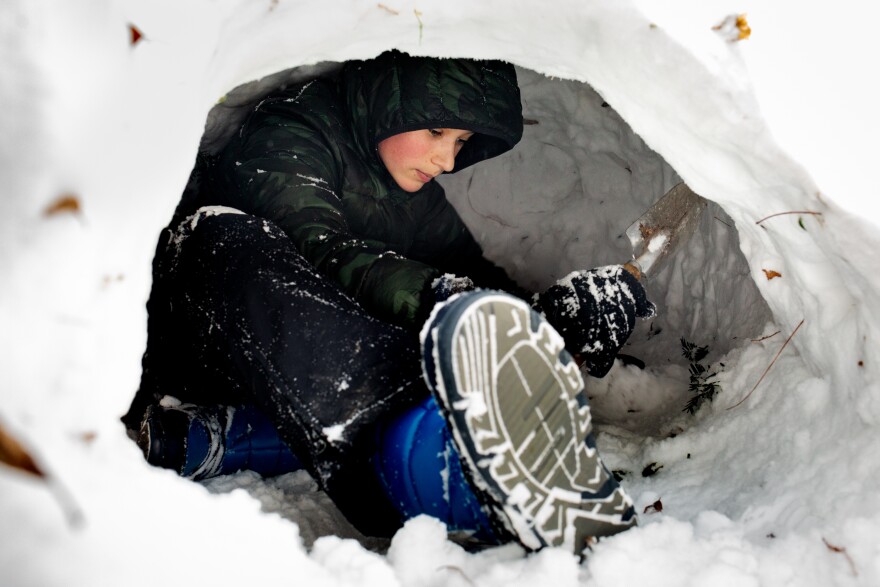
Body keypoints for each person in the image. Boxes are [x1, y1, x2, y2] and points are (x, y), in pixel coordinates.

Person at [122, 50, 655, 554]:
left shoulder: (413, 195)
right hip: (204, 333)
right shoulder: (291, 132)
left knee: (434, 323)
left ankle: (237, 434)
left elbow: (472, 288)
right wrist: (440, 297)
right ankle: (436, 471)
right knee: (225, 238)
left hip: (297, 376)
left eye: (461, 139)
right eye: (437, 130)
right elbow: (319, 249)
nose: (447, 159)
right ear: (388, 104)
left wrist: (547, 320)